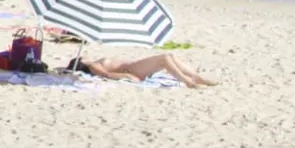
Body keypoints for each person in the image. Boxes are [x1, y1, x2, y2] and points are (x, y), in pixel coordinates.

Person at [69, 53, 216, 88]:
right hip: (132, 69)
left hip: (133, 67)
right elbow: (106, 74)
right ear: (80, 62)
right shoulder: (92, 66)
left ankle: (196, 77)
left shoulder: (94, 63)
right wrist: (126, 75)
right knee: (164, 58)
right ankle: (187, 81)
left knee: (169, 56)